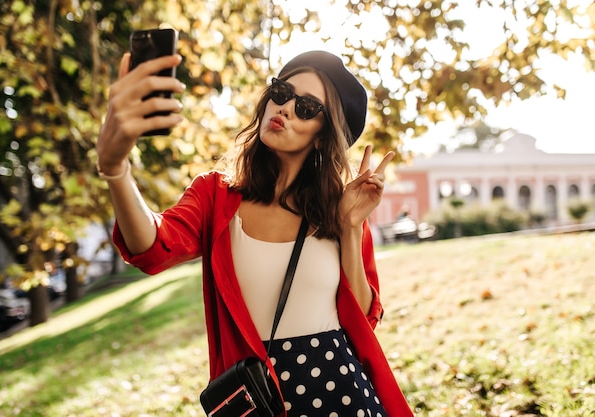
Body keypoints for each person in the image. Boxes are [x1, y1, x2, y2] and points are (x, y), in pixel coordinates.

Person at [96, 48, 414, 417]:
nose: (286, 108)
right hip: (258, 398)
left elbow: (363, 320)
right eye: (281, 93)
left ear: (322, 135)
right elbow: (152, 246)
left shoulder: (340, 209)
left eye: (307, 107)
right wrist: (115, 168)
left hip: (342, 394)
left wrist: (350, 227)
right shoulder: (215, 196)